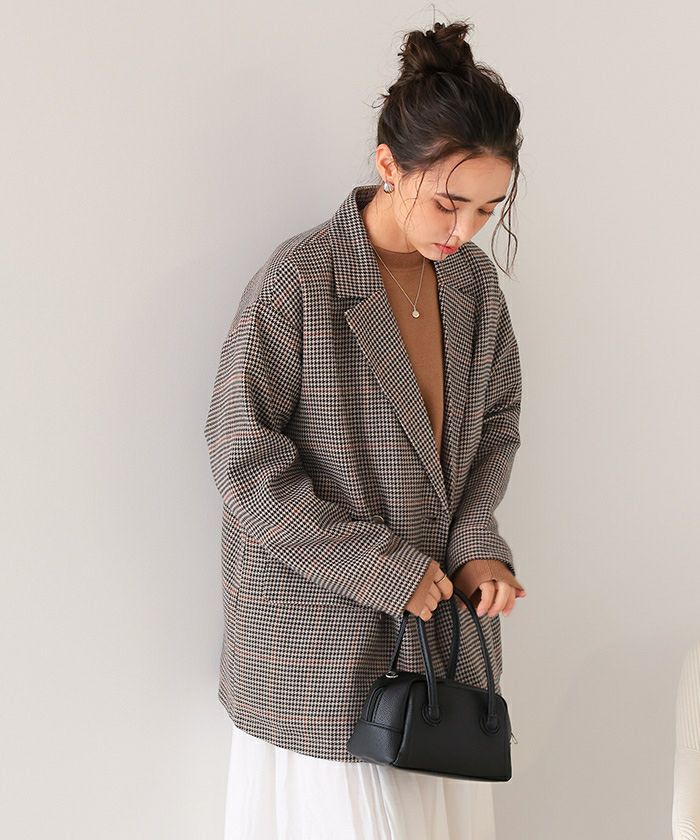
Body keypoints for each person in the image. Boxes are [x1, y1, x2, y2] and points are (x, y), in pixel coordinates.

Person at [204, 17, 528, 840]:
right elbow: (242, 459)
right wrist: (382, 569)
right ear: (388, 166)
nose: (464, 230)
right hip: (318, 645)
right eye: (449, 202)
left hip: (439, 657)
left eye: (487, 208)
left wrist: (477, 544)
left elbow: (495, 425)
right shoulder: (301, 279)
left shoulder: (473, 287)